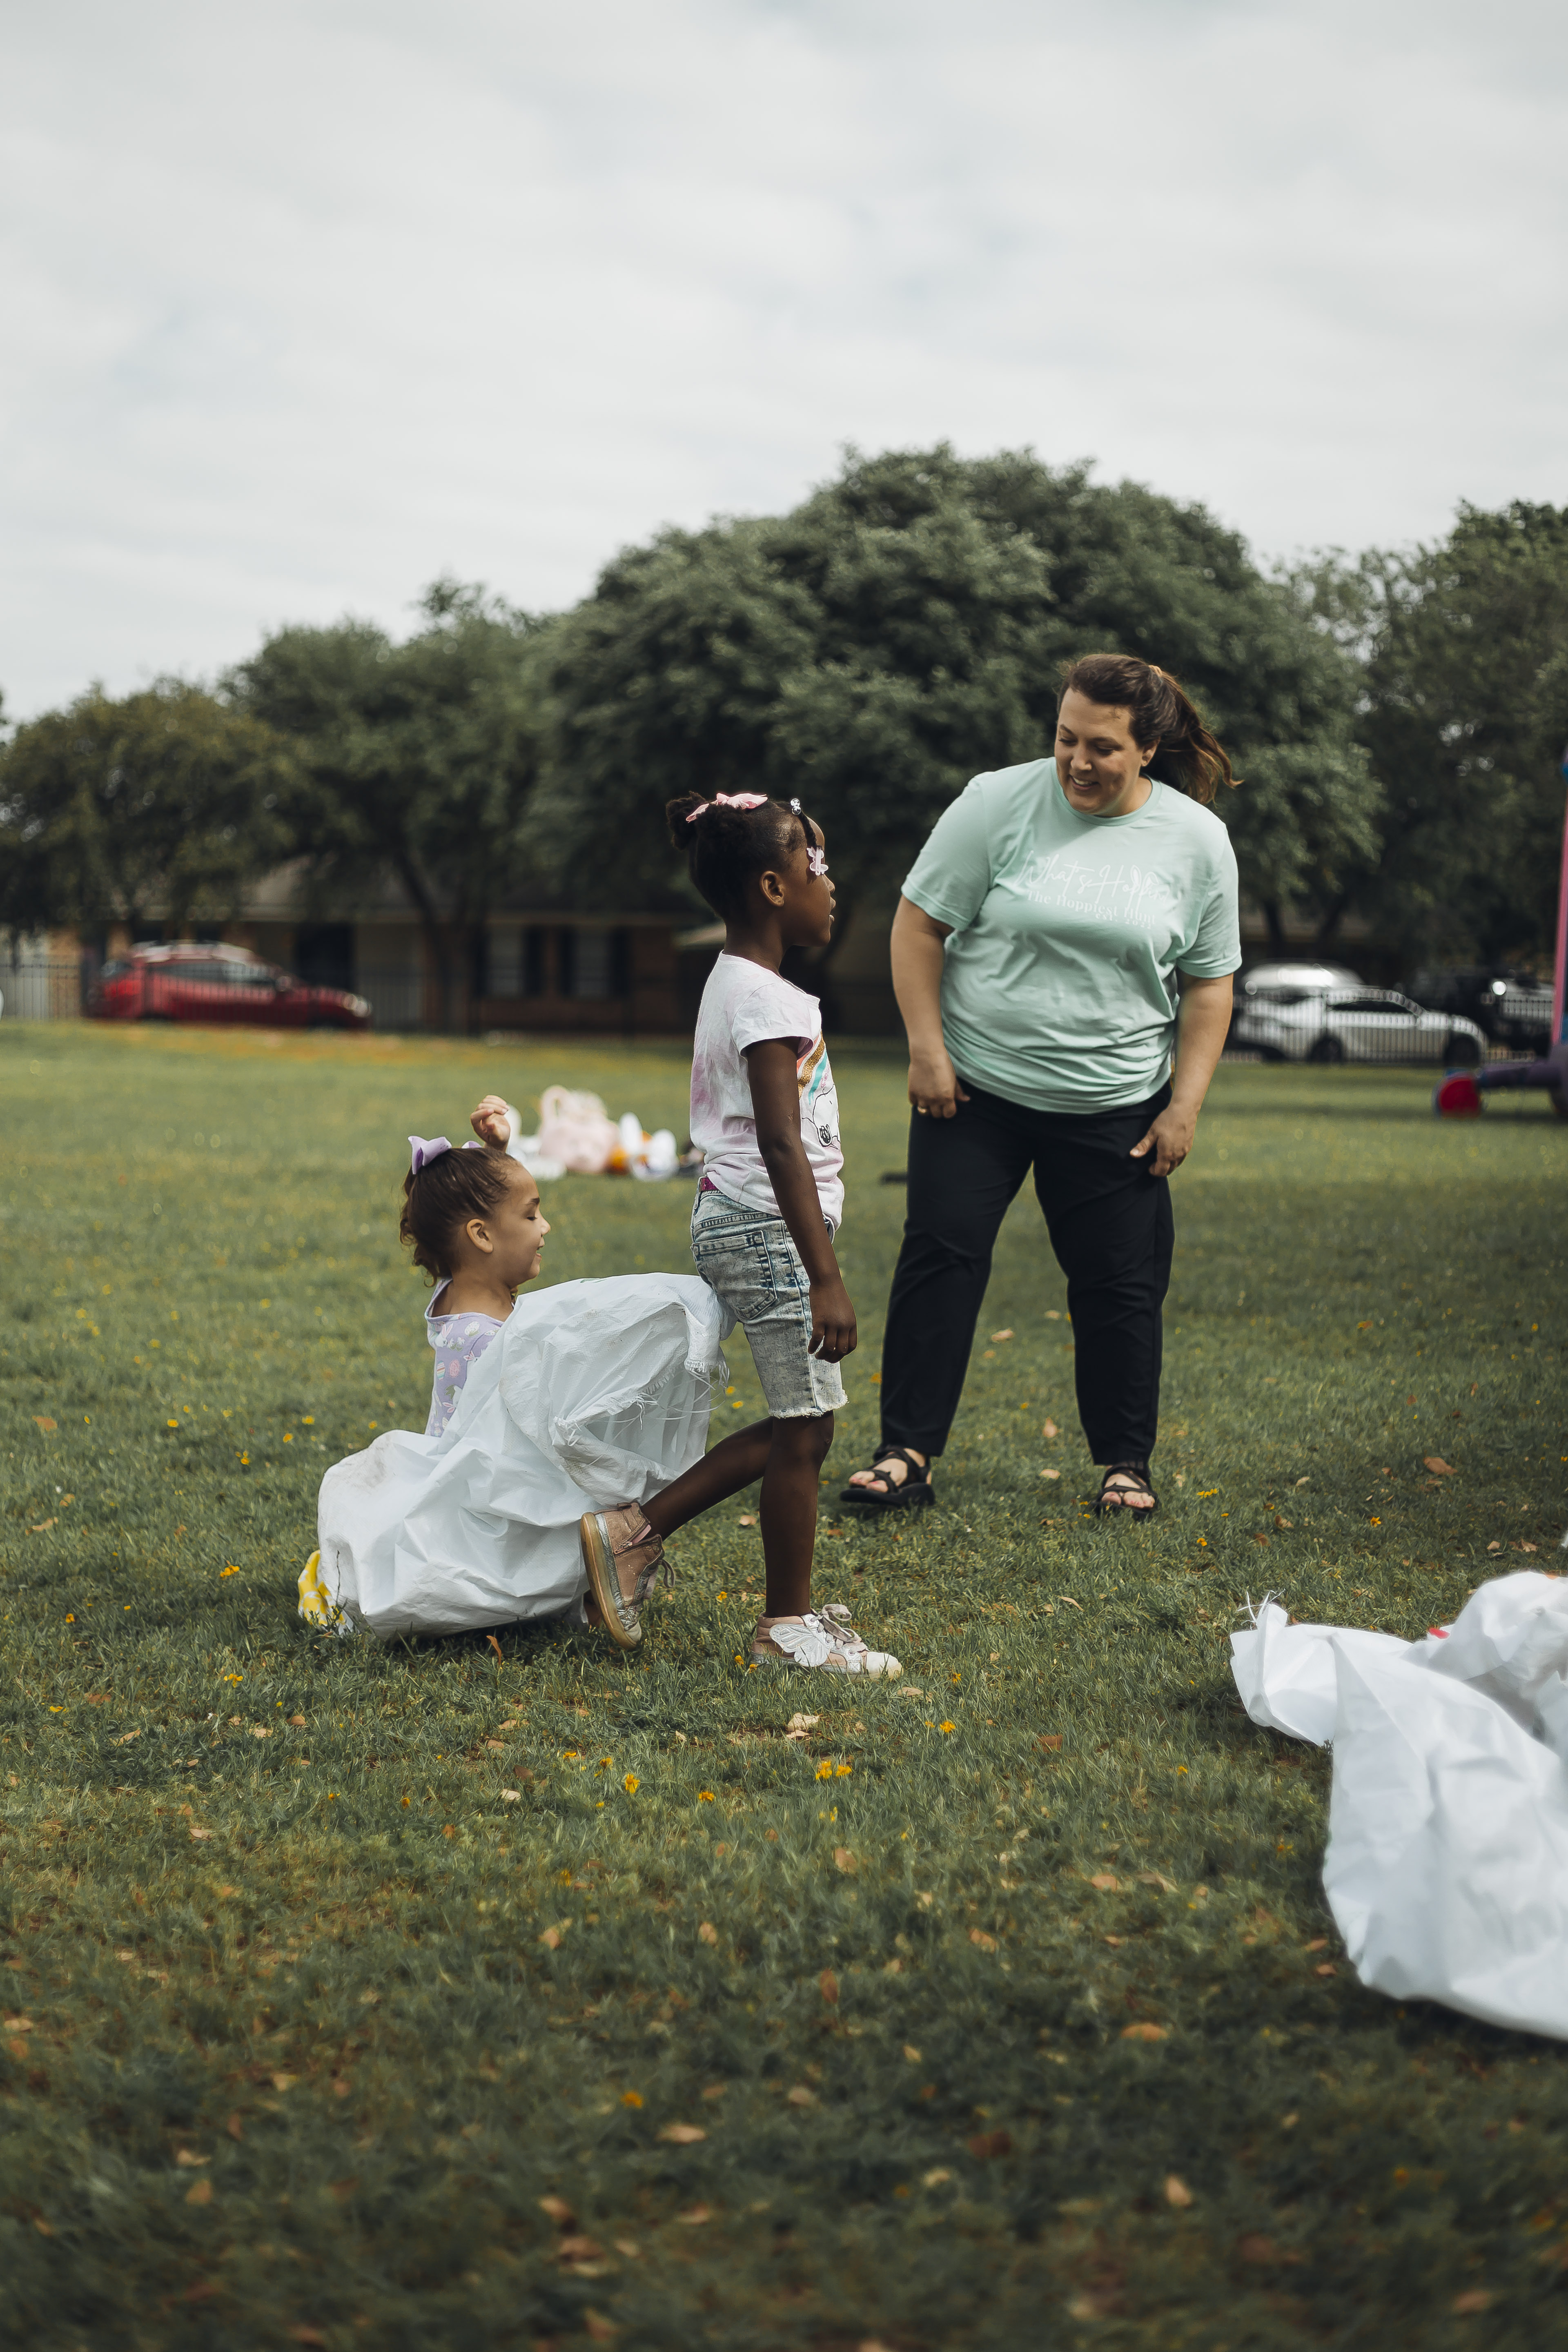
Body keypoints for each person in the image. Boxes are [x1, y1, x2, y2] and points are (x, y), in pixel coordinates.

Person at [842, 653, 1241, 1521]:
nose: (1077, 763)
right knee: (940, 1259)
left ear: (1149, 749)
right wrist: (927, 1049)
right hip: (974, 1093)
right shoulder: (996, 802)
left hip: (1116, 1104)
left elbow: (1210, 982)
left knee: (1119, 1287)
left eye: (1102, 747)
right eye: (1066, 739)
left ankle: (1125, 1466)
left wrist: (1184, 1106)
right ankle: (905, 1452)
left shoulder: (1196, 840)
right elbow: (919, 924)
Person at [574, 791, 902, 1676]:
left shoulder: (737, 979)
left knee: (807, 1424)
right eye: (815, 870)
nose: (830, 887)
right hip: (767, 1226)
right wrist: (824, 1276)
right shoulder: (766, 999)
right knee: (806, 1425)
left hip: (745, 1218)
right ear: (772, 887)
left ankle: (638, 1538)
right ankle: (778, 1626)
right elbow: (780, 1142)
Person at [301, 1129, 726, 1640]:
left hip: (478, 1471)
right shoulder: (484, 1336)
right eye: (531, 1216)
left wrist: (495, 1155)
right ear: (482, 1236)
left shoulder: (459, 1294)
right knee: (576, 1501)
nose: (545, 1227)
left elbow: (469, 1224)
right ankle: (589, 1590)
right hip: (481, 1487)